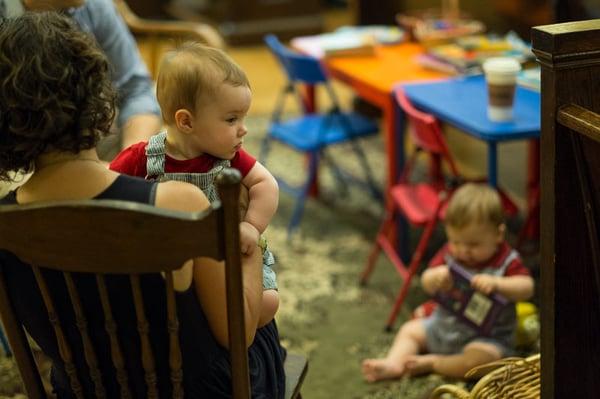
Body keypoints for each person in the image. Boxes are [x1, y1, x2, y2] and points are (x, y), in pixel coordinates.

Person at [0, 12, 285, 398]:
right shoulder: (177, 203)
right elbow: (239, 333)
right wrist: (245, 244)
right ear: (100, 101)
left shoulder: (7, 219)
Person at [109, 42, 280, 327]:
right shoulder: (142, 158)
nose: (244, 128)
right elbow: (110, 190)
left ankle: (221, 330)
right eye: (231, 119)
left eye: (243, 117)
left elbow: (266, 184)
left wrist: (251, 225)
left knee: (269, 303)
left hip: (226, 257)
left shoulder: (230, 158)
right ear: (186, 122)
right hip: (168, 266)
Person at [361, 183, 535, 381]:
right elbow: (426, 281)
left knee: (478, 364)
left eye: (473, 244)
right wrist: (435, 278)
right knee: (409, 331)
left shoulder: (507, 260)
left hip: (484, 339)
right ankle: (394, 364)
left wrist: (498, 284)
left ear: (498, 235)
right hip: (442, 327)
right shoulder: (449, 254)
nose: (463, 250)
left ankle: (435, 363)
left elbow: (527, 288)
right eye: (456, 242)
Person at [1, 0, 162, 149]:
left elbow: (135, 89)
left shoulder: (93, 5)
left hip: (82, 146)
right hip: (14, 151)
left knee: (172, 138)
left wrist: (130, 163)